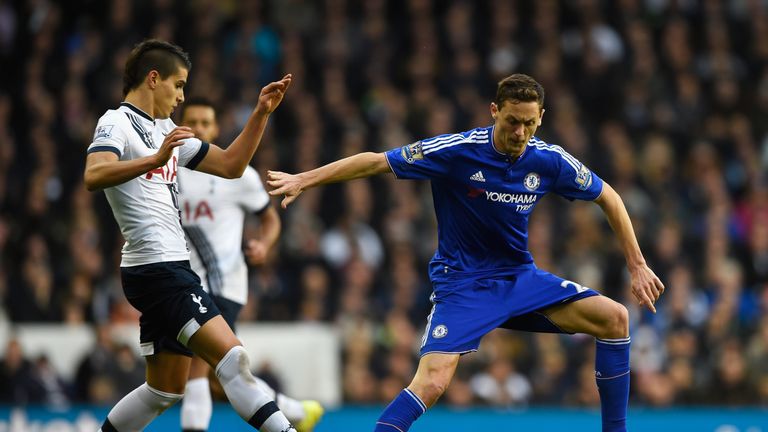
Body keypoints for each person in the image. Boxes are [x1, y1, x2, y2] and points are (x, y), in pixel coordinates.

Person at [268, 74, 665, 432]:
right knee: (433, 381)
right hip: (464, 284)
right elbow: (376, 162)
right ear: (494, 111)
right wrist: (306, 178)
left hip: (518, 278)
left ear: (541, 117)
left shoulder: (549, 160)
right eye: (512, 121)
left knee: (615, 318)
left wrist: (638, 264)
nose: (520, 132)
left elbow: (609, 197)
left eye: (529, 122)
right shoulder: (456, 150)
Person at [84, 39, 297, 432]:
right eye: (178, 85)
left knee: (164, 390)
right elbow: (94, 174)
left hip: (162, 269)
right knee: (234, 361)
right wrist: (154, 159)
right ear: (153, 79)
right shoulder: (116, 122)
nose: (181, 96)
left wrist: (260, 114)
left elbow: (232, 165)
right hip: (158, 269)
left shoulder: (165, 130)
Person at [177, 98, 324, 432]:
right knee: (221, 375)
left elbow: (270, 218)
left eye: (205, 123)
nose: (199, 128)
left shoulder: (236, 174)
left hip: (223, 282)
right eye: (193, 122)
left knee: (197, 366)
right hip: (182, 283)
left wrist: (264, 243)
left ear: (214, 129)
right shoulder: (170, 172)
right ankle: (296, 411)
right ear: (181, 126)